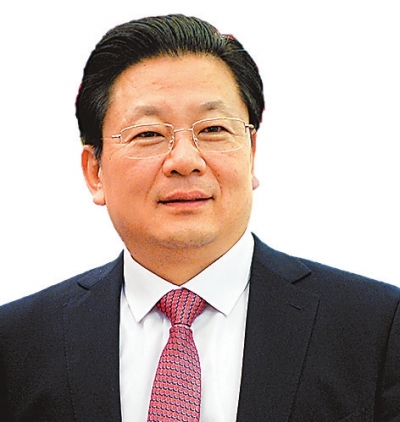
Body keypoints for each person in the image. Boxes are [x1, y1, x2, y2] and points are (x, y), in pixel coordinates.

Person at [0, 14, 399, 422]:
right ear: (95, 171)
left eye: (212, 129)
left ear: (251, 154)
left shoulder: (377, 327)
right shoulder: (16, 344)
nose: (185, 160)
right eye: (148, 134)